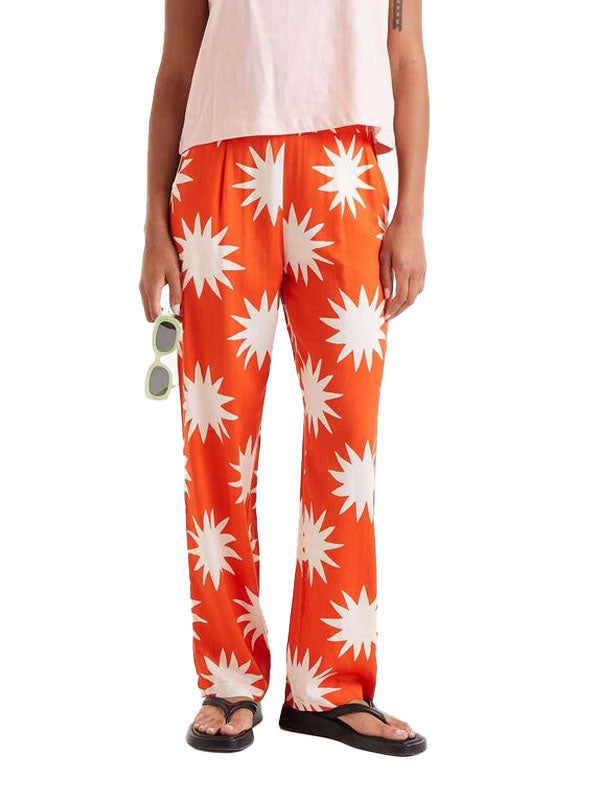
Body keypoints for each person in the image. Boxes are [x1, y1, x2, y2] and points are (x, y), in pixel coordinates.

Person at [139, 0, 429, 756]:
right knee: (217, 438)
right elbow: (176, 70)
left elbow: (405, 58)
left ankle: (330, 685)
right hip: (221, 175)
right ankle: (229, 679)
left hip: (346, 175)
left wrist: (411, 216)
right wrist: (153, 228)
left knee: (349, 441)